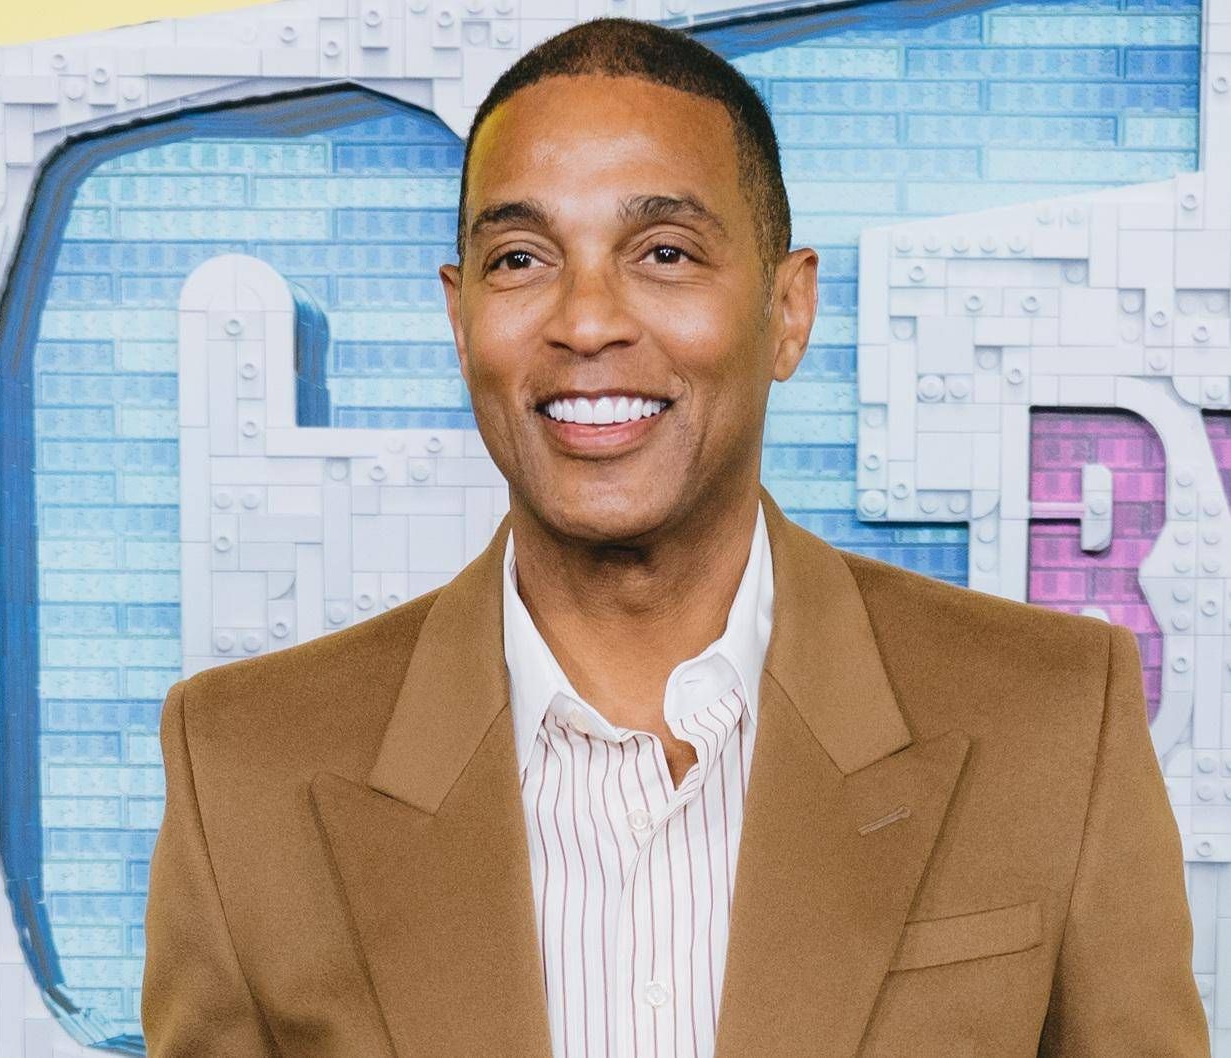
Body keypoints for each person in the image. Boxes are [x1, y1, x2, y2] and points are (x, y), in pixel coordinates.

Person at [141, 16, 1210, 1058]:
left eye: (664, 251)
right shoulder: (242, 766)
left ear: (788, 311)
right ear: (460, 319)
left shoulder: (1053, 716)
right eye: (520, 258)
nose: (586, 320)